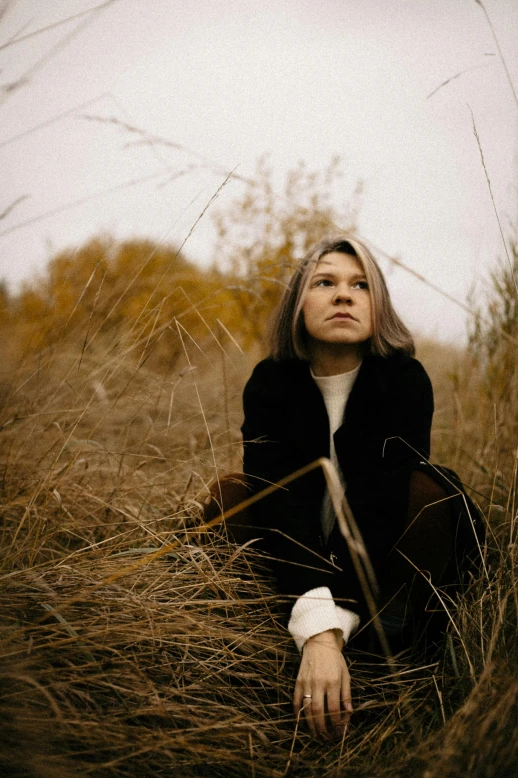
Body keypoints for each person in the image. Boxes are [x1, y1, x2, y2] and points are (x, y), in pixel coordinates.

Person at [205, 233, 480, 741]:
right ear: (297, 304)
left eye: (360, 285)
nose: (343, 295)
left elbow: (379, 504)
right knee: (231, 496)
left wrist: (333, 629)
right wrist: (315, 623)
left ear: (378, 306)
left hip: (381, 573)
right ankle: (249, 651)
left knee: (429, 491)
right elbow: (279, 500)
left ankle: (394, 656)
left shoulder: (404, 381)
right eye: (324, 281)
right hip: (297, 566)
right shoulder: (271, 383)